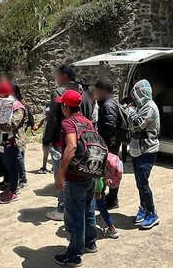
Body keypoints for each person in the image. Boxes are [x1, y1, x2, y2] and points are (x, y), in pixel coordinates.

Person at [53, 89, 98, 266]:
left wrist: (60, 173)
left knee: (75, 216)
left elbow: (71, 146)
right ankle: (90, 243)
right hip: (89, 174)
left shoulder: (67, 123)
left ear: (65, 106)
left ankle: (73, 255)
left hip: (75, 176)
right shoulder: (88, 122)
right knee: (88, 211)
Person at [44, 65, 93, 221]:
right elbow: (89, 116)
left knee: (63, 173)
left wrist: (47, 139)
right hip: (83, 141)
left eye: (57, 75)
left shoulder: (58, 93)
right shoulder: (84, 94)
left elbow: (52, 119)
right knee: (80, 172)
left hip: (64, 141)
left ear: (64, 75)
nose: (56, 78)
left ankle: (61, 208)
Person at [125, 79, 161, 230]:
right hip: (136, 149)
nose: (134, 98)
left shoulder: (150, 108)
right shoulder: (142, 106)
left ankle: (152, 213)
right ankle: (144, 207)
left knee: (143, 183)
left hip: (148, 150)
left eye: (136, 94)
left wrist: (130, 111)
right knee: (139, 182)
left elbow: (137, 124)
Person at [0, 81, 26, 203]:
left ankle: (13, 191)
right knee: (7, 164)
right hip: (2, 140)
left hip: (12, 141)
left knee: (12, 165)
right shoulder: (0, 103)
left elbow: (12, 125)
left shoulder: (18, 107)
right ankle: (12, 186)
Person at [94, 78, 121, 209]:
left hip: (109, 145)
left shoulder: (108, 105)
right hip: (110, 144)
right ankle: (109, 198)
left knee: (109, 171)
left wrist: (100, 137)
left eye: (97, 90)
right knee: (109, 171)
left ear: (103, 90)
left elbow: (110, 126)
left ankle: (111, 199)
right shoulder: (107, 103)